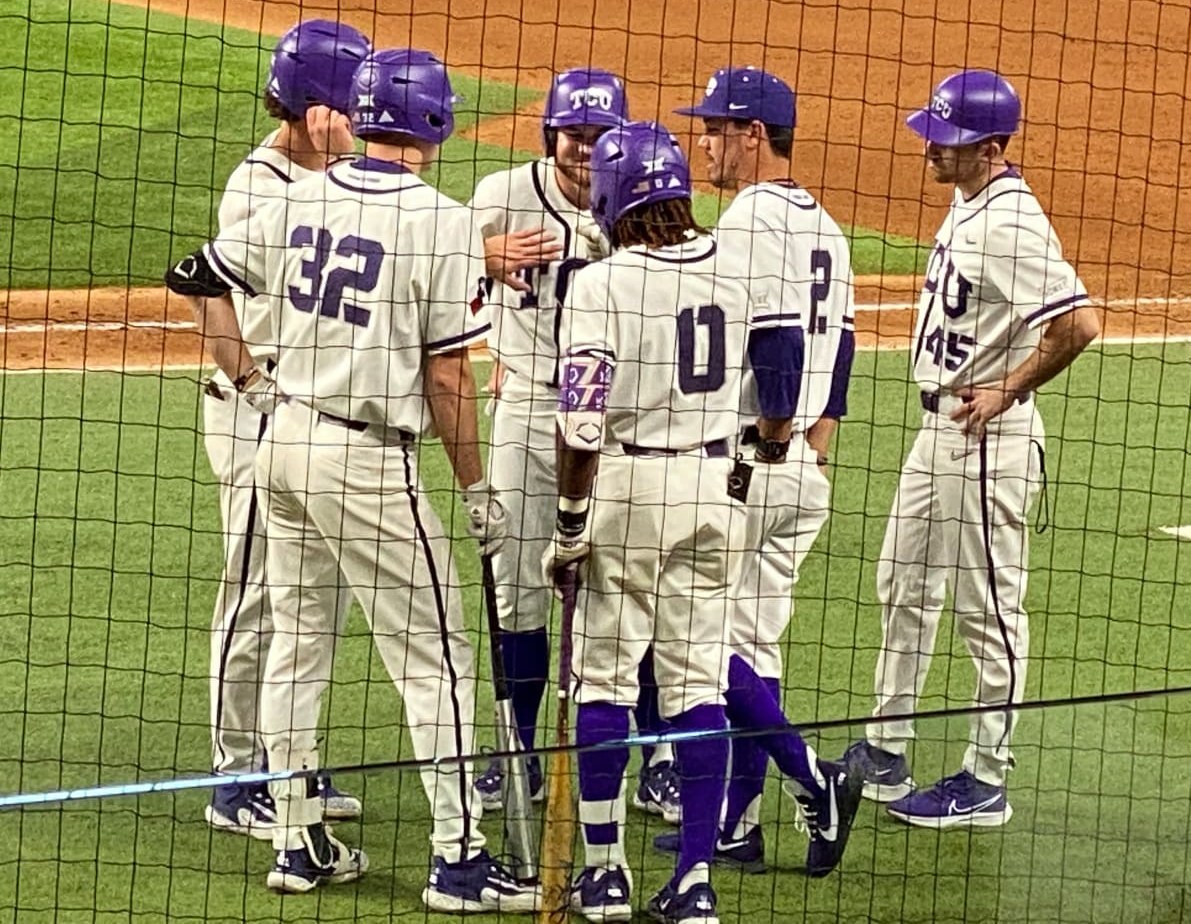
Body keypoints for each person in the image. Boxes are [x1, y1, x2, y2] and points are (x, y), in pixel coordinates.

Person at [166, 48, 536, 910]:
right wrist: (478, 488)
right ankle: (459, 860)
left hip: (282, 443)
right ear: (435, 125)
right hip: (366, 461)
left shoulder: (298, 198)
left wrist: (250, 382)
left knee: (298, 643)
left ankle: (298, 842)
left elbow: (195, 273)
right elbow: (450, 380)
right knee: (437, 652)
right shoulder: (443, 224)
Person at [842, 69, 1100, 827]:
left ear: (991, 147)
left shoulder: (1012, 222)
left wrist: (1010, 387)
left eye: (946, 138)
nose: (930, 146)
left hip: (985, 434)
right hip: (939, 431)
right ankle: (886, 749)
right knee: (903, 580)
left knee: (989, 608)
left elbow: (1079, 324)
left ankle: (986, 777)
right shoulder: (969, 199)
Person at [468, 70, 681, 825]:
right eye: (573, 135)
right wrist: (483, 260)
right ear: (548, 135)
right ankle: (515, 751)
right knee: (515, 588)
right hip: (527, 410)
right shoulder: (500, 197)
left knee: (630, 591)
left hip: (622, 426)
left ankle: (656, 754)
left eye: (598, 137)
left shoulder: (642, 201)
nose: (585, 150)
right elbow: (434, 291)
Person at [673, 66, 860, 870]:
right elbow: (842, 347)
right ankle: (736, 826)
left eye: (716, 128)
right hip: (799, 475)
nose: (704, 142)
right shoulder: (826, 223)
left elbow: (780, 344)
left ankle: (814, 783)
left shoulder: (750, 220)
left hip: (755, 465)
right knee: (756, 646)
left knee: (701, 646)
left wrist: (776, 438)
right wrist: (818, 442)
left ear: (755, 136)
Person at [199, 18, 369, 838]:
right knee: (258, 591)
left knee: (312, 600)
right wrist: (255, 386)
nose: (363, 117)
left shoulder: (336, 170)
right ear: (312, 110)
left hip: (309, 418)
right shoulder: (259, 186)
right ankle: (237, 777)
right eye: (348, 104)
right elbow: (205, 288)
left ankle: (289, 760)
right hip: (254, 412)